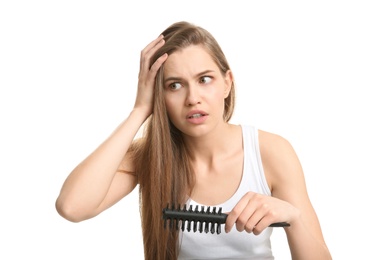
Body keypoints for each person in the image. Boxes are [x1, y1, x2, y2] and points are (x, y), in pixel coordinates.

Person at [55, 21, 332, 260]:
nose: (192, 98)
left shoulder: (271, 152)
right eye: (174, 85)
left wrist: (292, 217)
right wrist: (139, 111)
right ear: (158, 95)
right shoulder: (150, 157)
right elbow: (72, 207)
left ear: (227, 83)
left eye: (205, 79)